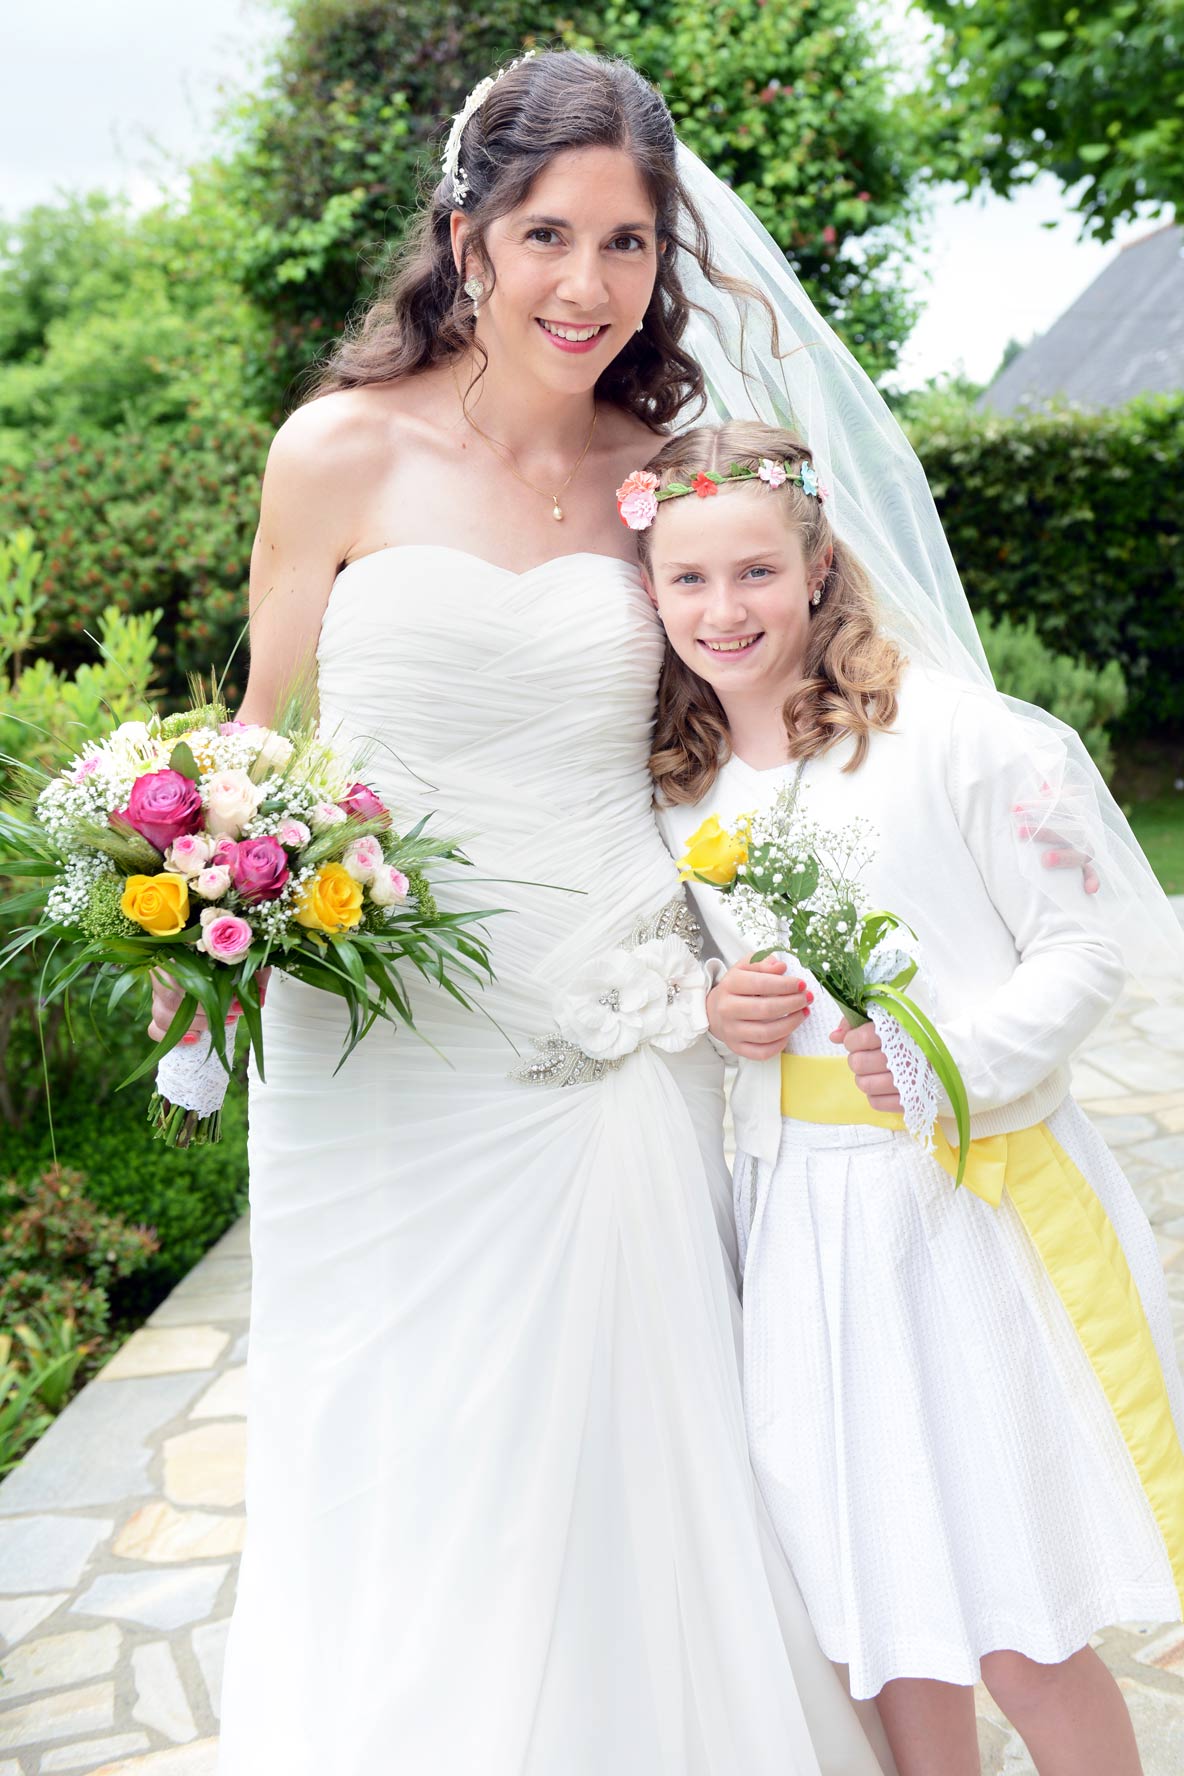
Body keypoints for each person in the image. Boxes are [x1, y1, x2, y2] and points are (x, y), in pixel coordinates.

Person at [149, 50, 895, 1776]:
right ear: (465, 231)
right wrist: (195, 911)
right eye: (549, 231)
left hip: (612, 1021)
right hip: (375, 1044)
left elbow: (758, 710)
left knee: (627, 1438)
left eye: (628, 243)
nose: (587, 283)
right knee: (398, 1440)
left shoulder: (666, 482)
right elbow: (264, 729)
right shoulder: (335, 449)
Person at [643, 417, 1184, 1776]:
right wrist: (722, 1014)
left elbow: (1088, 945)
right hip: (806, 1232)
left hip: (965, 1208)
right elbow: (662, 984)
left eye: (756, 572)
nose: (725, 610)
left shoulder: (953, 736)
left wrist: (959, 1058)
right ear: (650, 592)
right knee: (875, 1611)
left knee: (1018, 1615)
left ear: (819, 564)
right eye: (688, 580)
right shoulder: (678, 790)